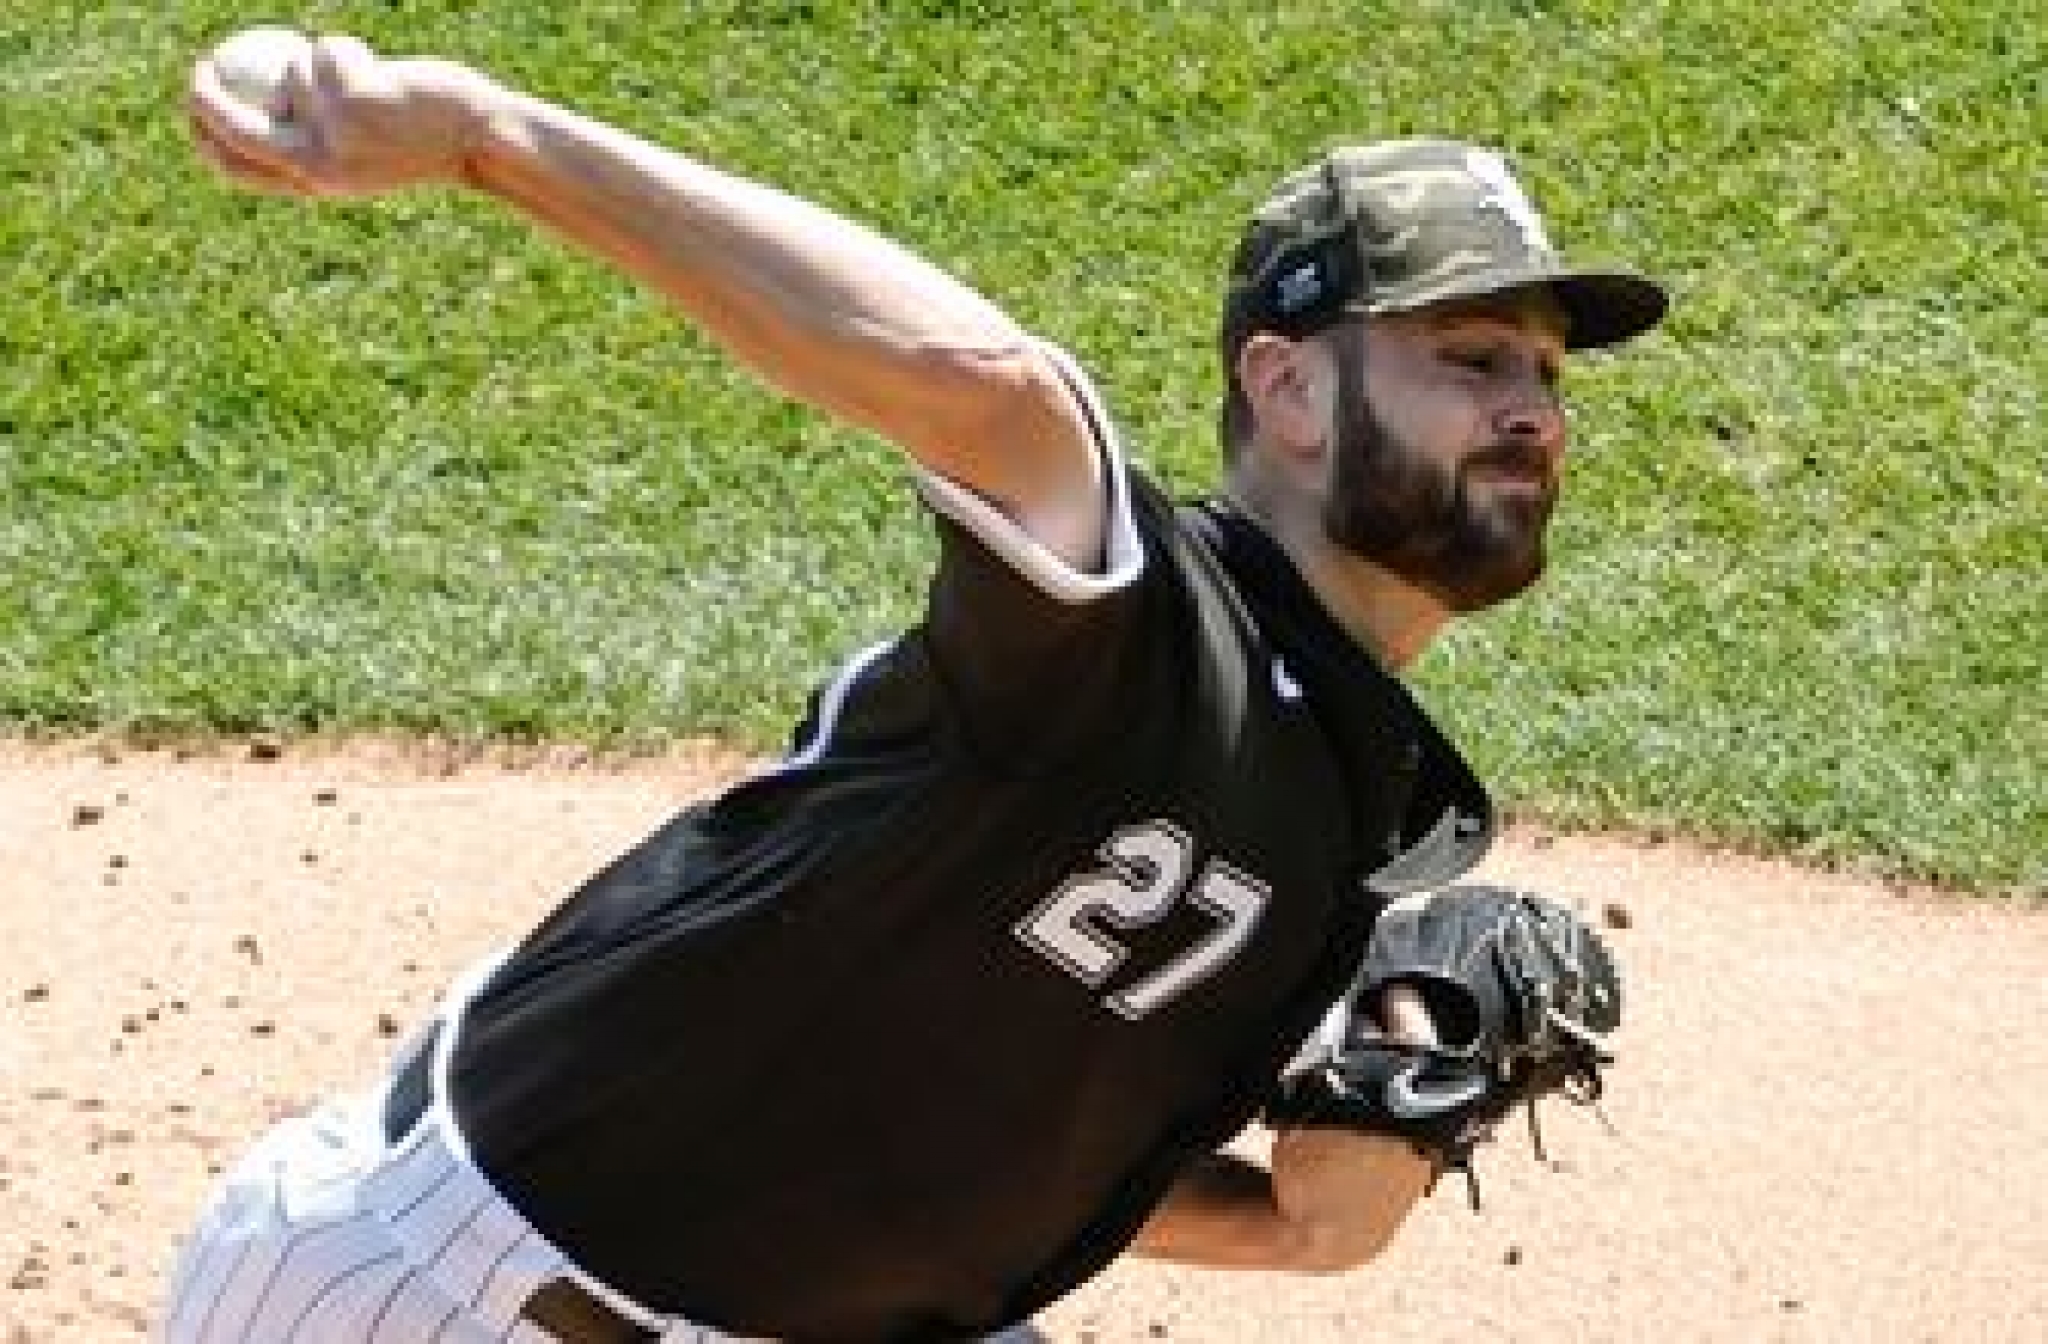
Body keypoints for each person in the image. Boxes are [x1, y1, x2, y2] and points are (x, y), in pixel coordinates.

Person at [167, 29, 1666, 1344]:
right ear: (1286, 392)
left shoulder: (1358, 816)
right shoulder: (1126, 623)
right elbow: (996, 393)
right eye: (1471, 358)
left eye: (1545, 377)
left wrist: (1340, 1178)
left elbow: (1212, 1204)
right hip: (440, 1303)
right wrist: (490, 141)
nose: (1530, 410)